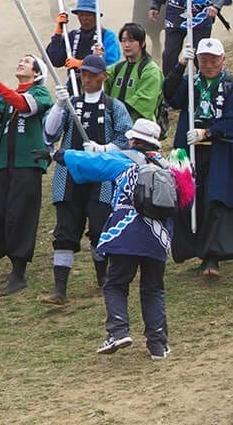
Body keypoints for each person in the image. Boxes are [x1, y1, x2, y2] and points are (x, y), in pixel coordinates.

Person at [61, 119, 189, 359]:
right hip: (158, 237)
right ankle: (158, 346)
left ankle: (118, 331)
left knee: (116, 283)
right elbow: (185, 197)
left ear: (133, 140)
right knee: (153, 289)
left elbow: (92, 163)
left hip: (127, 232)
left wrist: (62, 155)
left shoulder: (124, 160)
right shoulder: (169, 167)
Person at [41, 55, 134, 305]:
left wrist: (103, 150)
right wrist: (59, 106)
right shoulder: (71, 104)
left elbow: (126, 139)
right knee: (64, 232)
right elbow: (49, 134)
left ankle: (103, 279)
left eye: (93, 74)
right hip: (69, 176)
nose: (87, 79)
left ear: (104, 76)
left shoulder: (115, 107)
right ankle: (60, 288)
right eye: (83, 74)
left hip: (102, 178)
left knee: (99, 228)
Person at [164, 38, 233, 276]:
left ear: (223, 60)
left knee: (215, 199)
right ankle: (191, 248)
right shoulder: (190, 83)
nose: (209, 64)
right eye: (203, 59)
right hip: (187, 151)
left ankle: (212, 257)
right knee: (188, 199)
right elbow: (170, 96)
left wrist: (208, 132)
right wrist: (180, 64)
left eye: (213, 59)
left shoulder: (232, 87)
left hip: (219, 151)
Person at [0, 54, 54, 296]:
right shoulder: (6, 94)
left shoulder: (40, 93)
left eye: (27, 61)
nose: (21, 62)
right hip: (3, 161)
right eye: (20, 59)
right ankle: (4, 250)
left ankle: (18, 270)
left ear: (36, 72)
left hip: (27, 162)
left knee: (21, 215)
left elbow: (25, 105)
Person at [107, 24, 164, 126]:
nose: (126, 45)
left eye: (131, 40)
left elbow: (144, 100)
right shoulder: (116, 68)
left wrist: (115, 110)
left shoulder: (151, 70)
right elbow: (99, 82)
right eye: (123, 41)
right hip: (114, 125)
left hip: (139, 129)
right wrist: (97, 61)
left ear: (142, 43)